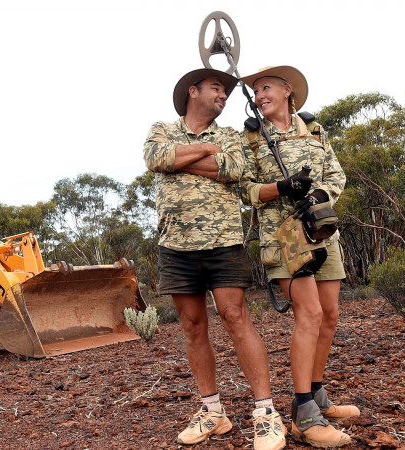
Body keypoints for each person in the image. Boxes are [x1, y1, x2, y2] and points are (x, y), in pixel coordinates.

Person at [143, 68, 287, 450]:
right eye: (216, 88)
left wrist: (180, 160)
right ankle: (212, 412)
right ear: (194, 92)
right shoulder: (162, 129)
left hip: (223, 241)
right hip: (175, 245)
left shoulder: (230, 136)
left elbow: (236, 170)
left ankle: (266, 413)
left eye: (225, 90)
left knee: (235, 317)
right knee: (191, 325)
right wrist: (206, 152)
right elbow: (156, 157)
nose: (224, 95)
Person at [239, 65, 360, 448]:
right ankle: (304, 414)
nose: (259, 95)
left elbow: (336, 175)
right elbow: (245, 190)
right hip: (283, 237)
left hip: (322, 231)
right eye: (256, 91)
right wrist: (281, 187)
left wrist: (317, 196)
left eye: (266, 87)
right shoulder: (254, 138)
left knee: (329, 315)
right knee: (309, 315)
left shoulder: (316, 131)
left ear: (288, 90)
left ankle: (319, 395)